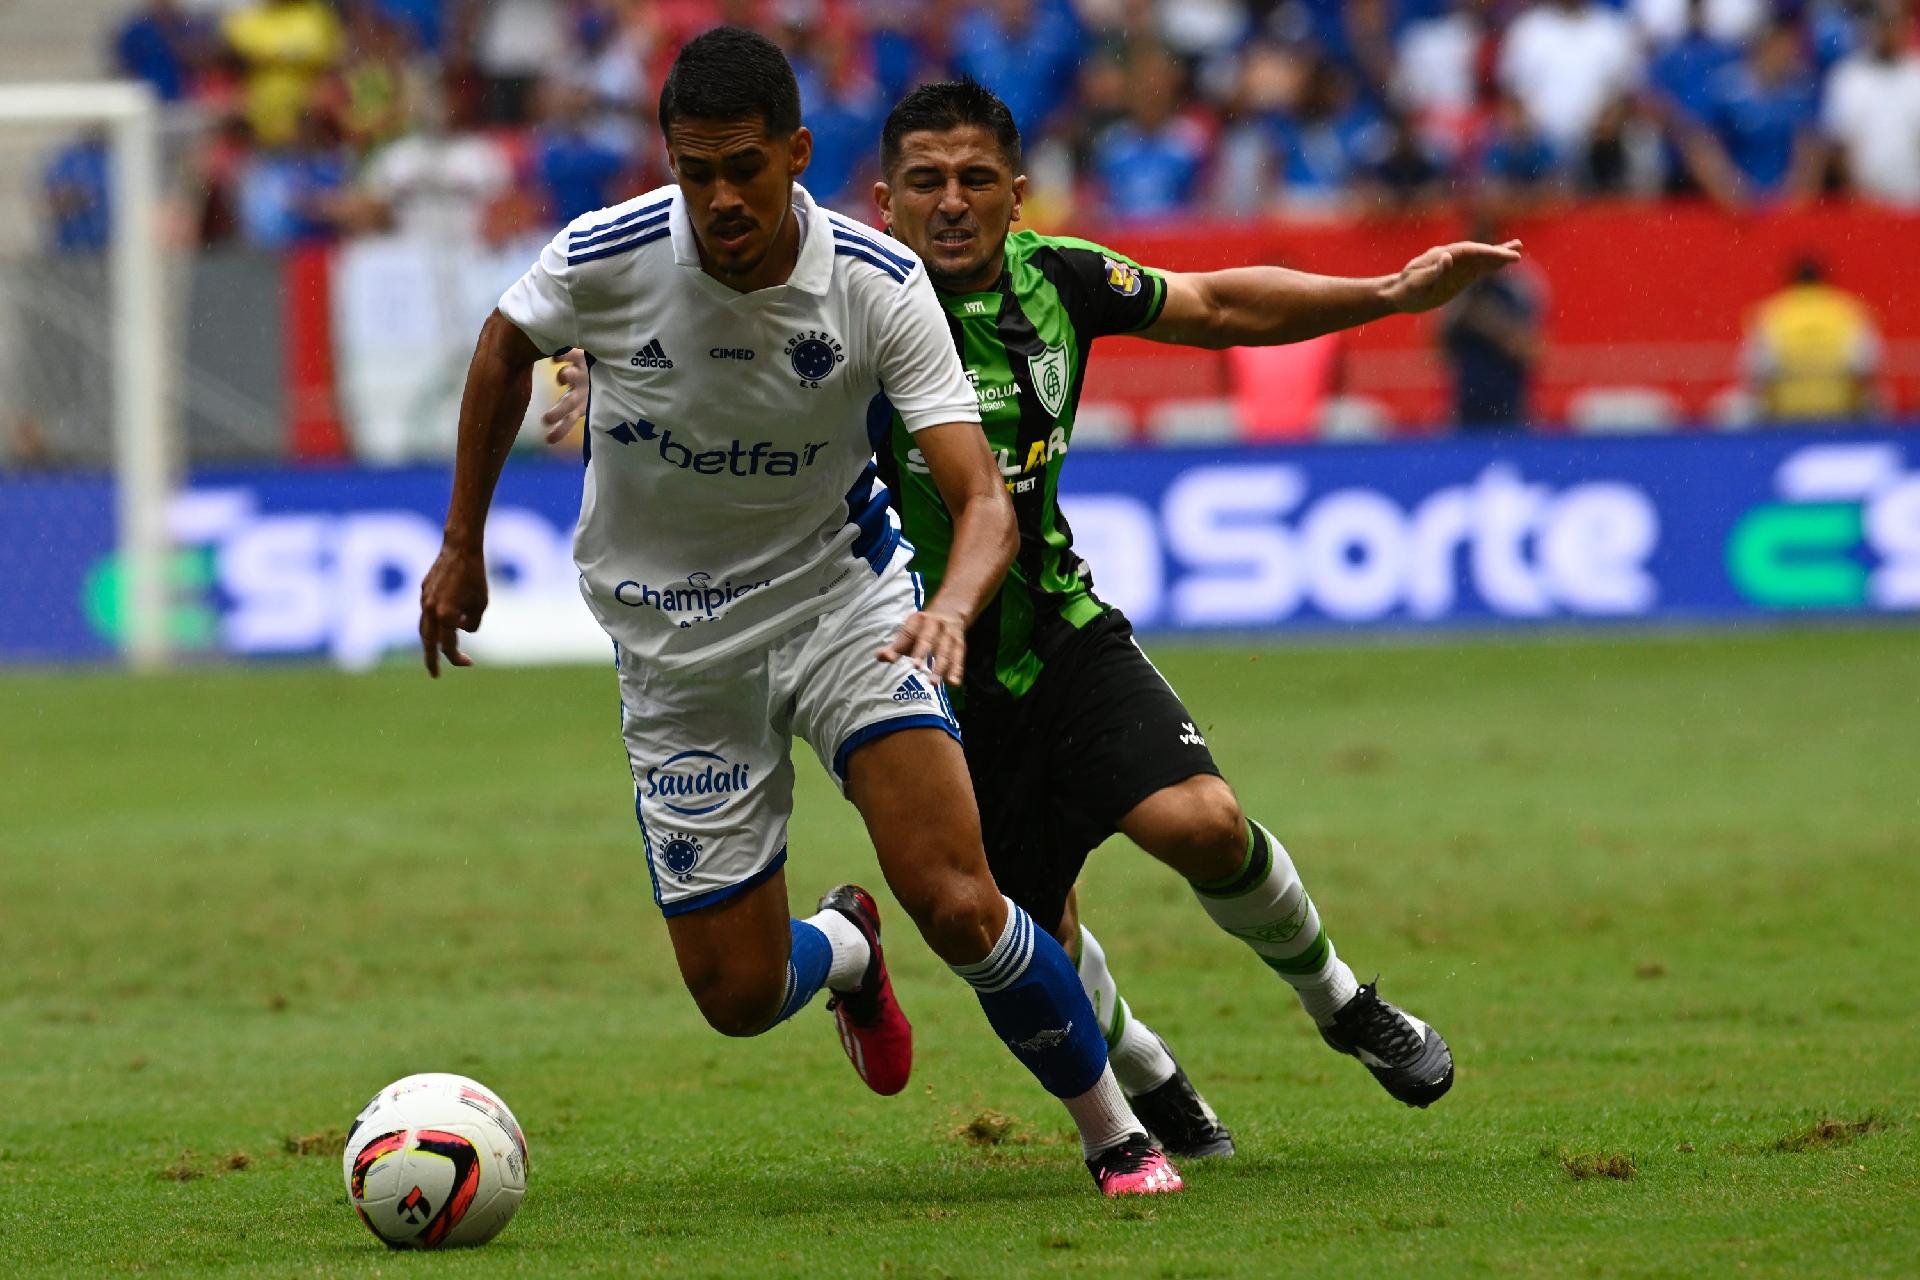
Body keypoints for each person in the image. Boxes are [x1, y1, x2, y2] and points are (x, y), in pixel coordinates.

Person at [556, 77, 1513, 1157]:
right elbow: (680, 362)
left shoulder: (1061, 280)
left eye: (975, 181)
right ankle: (1153, 1077)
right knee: (1025, 923)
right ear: (884, 199)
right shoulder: (845, 302)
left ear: (1019, 197)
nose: (951, 202)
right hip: (912, 669)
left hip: (1057, 627)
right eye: (926, 182)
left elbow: (1220, 307)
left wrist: (1387, 291)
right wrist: (589, 381)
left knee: (1200, 821)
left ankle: (1344, 1002)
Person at [419, 28, 1182, 1198]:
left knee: (959, 894)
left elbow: (982, 497)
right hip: (677, 650)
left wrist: (957, 606)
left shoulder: (879, 284)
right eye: (695, 170)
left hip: (846, 607)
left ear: (799, 153)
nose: (720, 198)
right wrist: (461, 540)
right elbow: (502, 346)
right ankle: (846, 950)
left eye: (746, 168)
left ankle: (1116, 1132)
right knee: (733, 992)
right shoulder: (606, 257)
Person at [1742, 257, 1881, 423]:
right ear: (1824, 280)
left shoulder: (1773, 314)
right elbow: (1866, 366)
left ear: (1791, 281)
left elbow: (1757, 371)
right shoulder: (1848, 312)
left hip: (1785, 416)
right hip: (1840, 414)